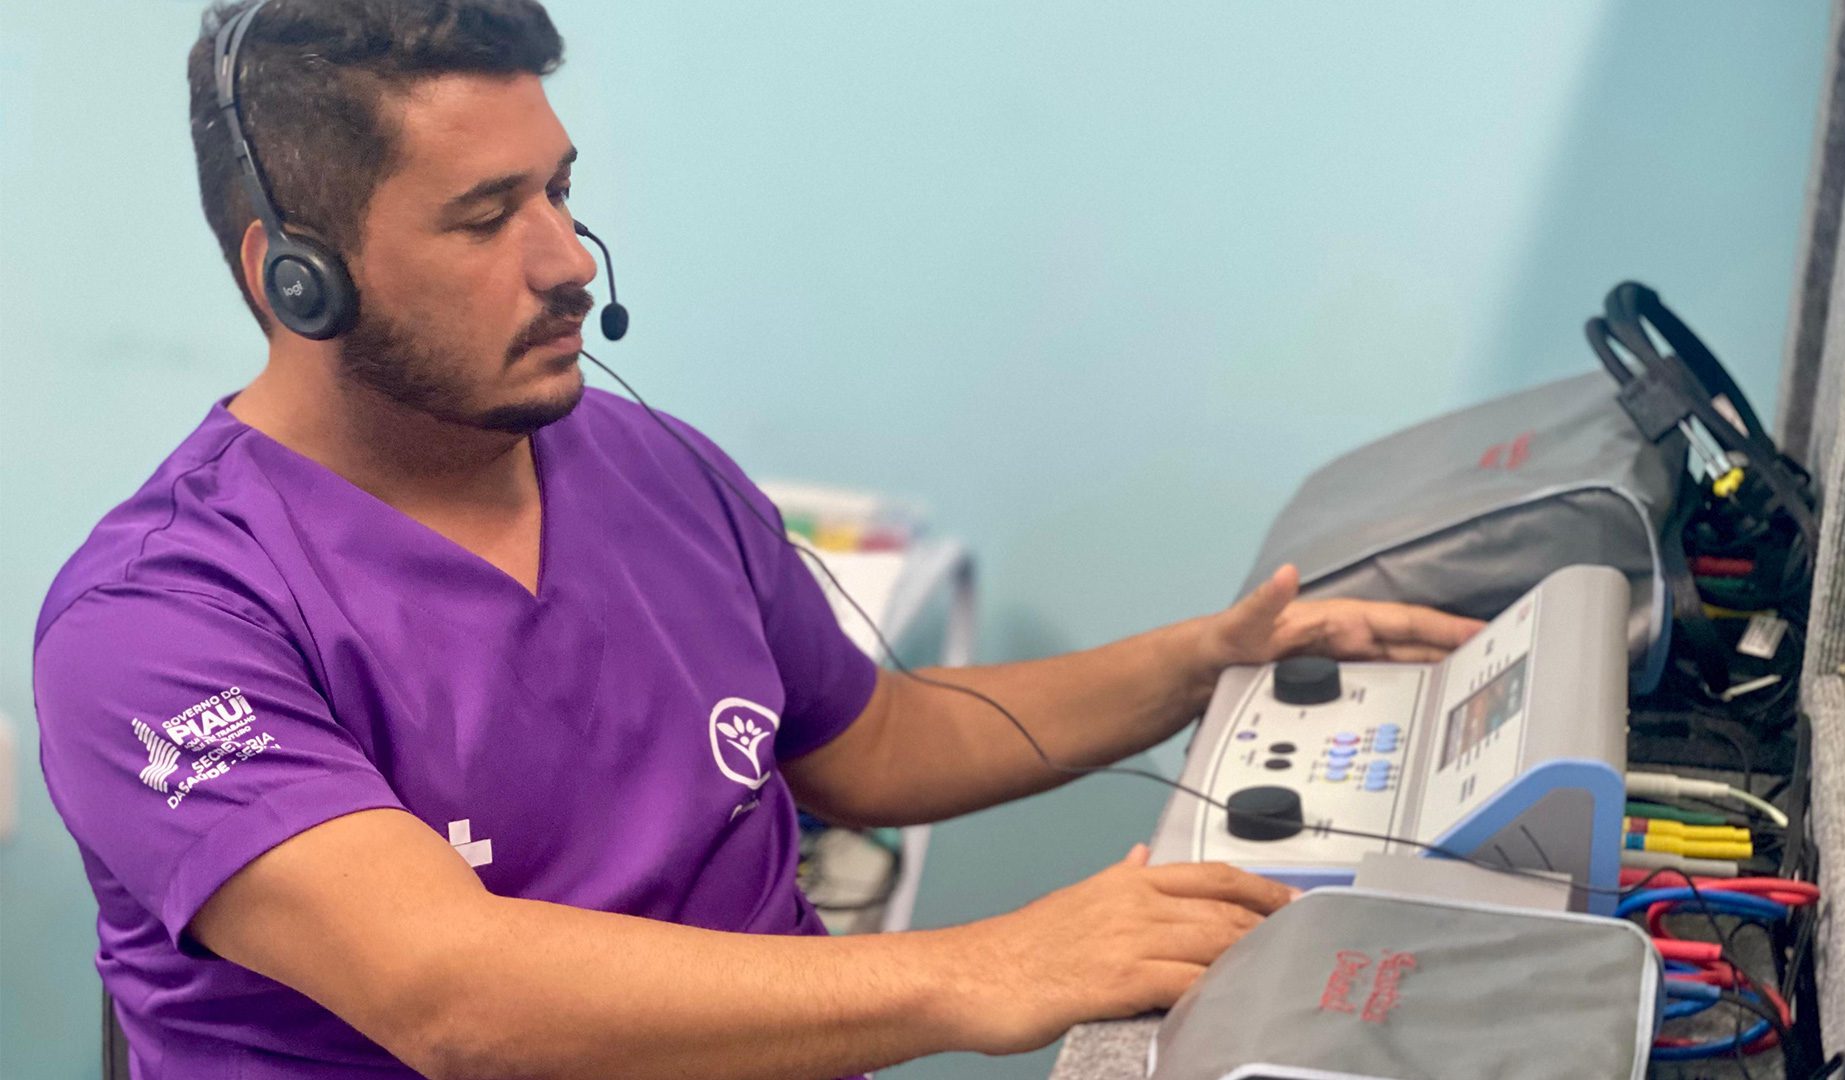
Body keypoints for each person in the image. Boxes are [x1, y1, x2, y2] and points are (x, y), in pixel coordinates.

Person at [32, 2, 1483, 1077]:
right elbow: (454, 997)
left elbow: (880, 743)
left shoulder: (643, 464)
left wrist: (1205, 663)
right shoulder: (157, 623)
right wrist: (986, 968)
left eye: (559, 191)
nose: (566, 261)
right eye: (484, 218)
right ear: (295, 278)